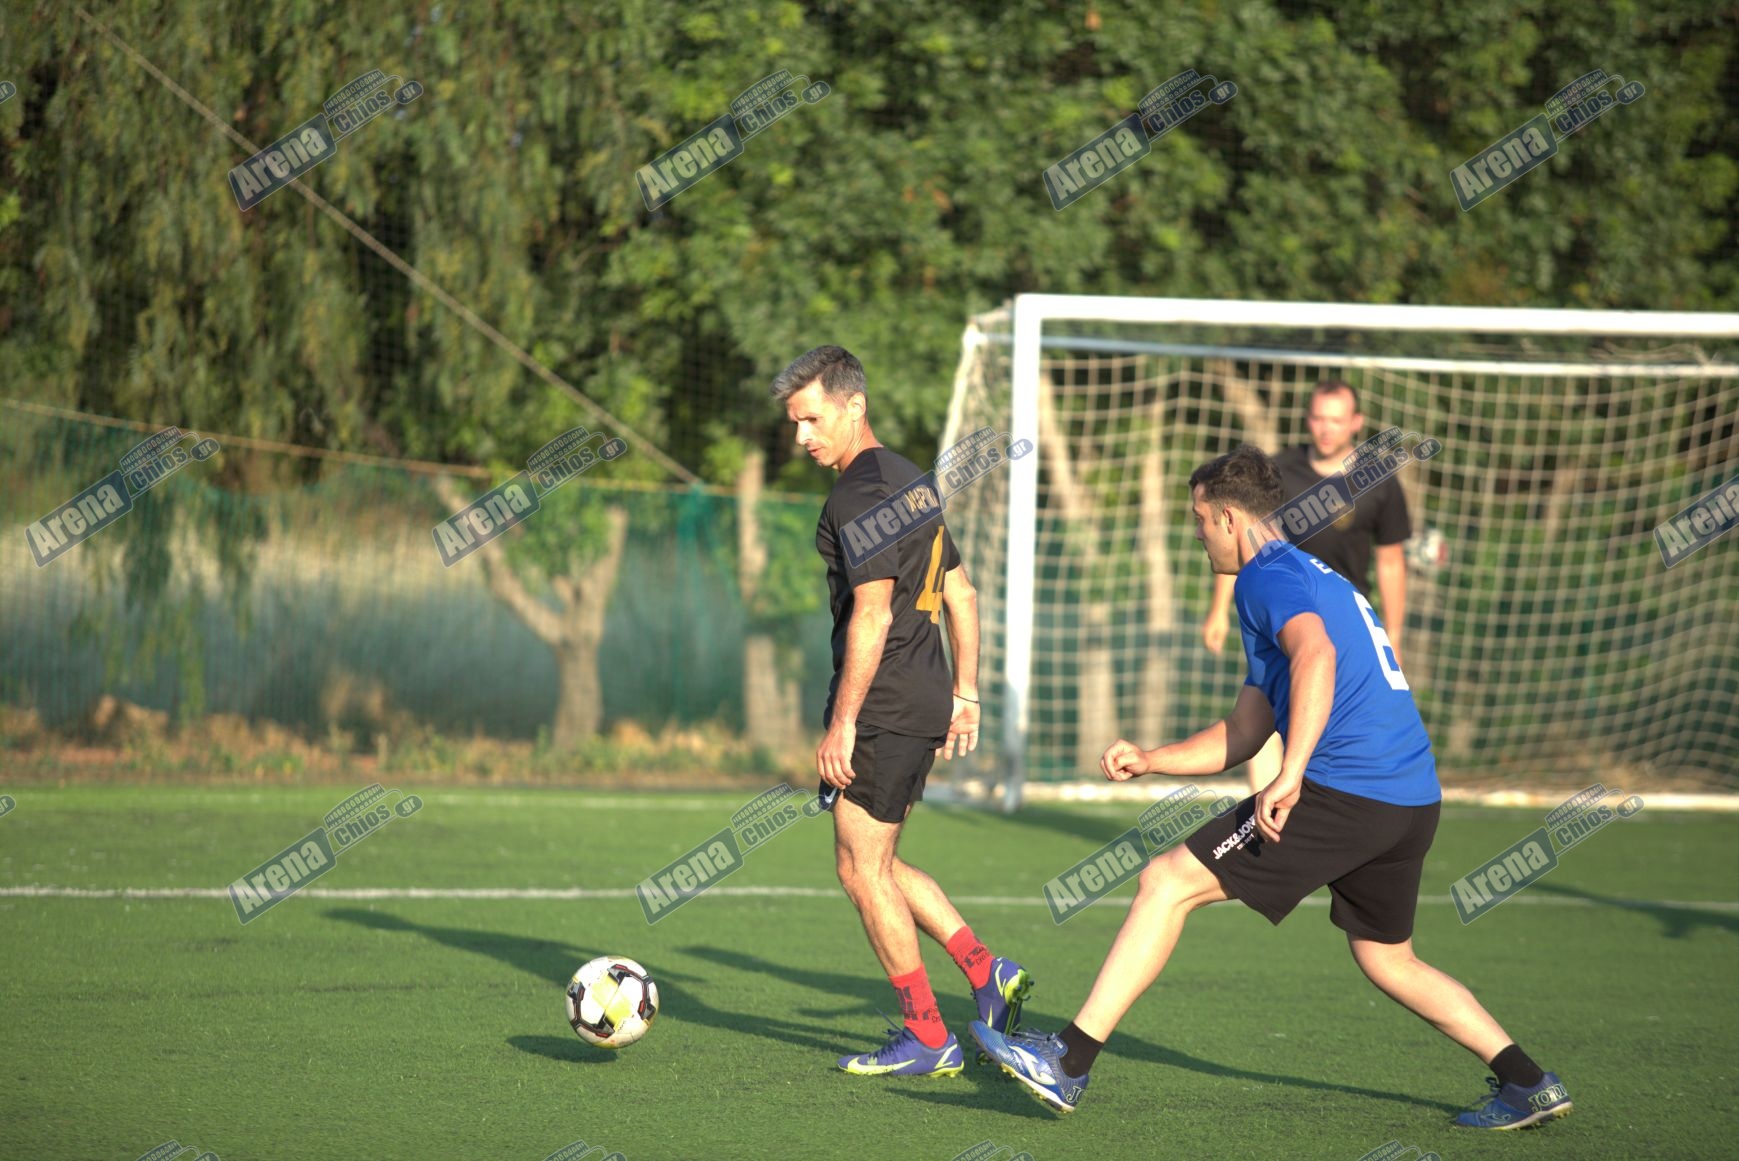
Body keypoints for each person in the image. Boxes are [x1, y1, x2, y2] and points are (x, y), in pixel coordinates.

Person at [972, 445, 1570, 1131]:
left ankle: (1068, 1062)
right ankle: (1528, 1083)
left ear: (1229, 517)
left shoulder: (1265, 576)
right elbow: (1245, 728)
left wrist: (1291, 773)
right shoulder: (1304, 574)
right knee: (1387, 957)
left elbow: (1317, 654)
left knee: (1167, 881)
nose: (1197, 534)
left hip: (1349, 791)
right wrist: (1152, 758)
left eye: (1199, 519)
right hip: (1409, 799)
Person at [771, 344, 1033, 1077]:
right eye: (795, 424)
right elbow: (962, 594)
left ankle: (927, 1034)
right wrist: (965, 692)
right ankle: (985, 971)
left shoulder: (856, 495)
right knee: (877, 860)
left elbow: (874, 613)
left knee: (860, 869)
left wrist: (843, 720)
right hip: (924, 693)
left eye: (811, 419)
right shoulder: (911, 480)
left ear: (853, 405)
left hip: (883, 703)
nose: (802, 437)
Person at [1202, 381, 1412, 795]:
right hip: (1285, 615)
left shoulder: (1379, 482)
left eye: (1336, 420)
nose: (1325, 428)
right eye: (1317, 418)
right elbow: (1240, 545)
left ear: (1356, 422)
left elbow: (1390, 561)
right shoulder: (1279, 473)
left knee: (1338, 721)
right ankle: (1265, 811)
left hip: (1345, 621)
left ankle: (1338, 803)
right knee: (1266, 705)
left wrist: (1395, 635)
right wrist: (1218, 611)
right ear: (1307, 419)